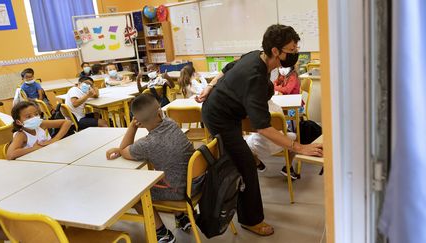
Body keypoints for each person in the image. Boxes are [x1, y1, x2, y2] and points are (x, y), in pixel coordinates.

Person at [196, 24, 323, 236]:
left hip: (230, 113)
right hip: (219, 118)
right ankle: (250, 220)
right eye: (291, 51)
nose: (295, 54)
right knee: (245, 164)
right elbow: (263, 127)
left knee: (241, 158)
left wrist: (210, 86)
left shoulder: (257, 56)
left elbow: (226, 69)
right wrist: (298, 147)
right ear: (276, 51)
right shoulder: (254, 76)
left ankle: (248, 164)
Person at [106, 94, 203, 243]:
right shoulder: (171, 123)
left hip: (179, 192)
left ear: (138, 121)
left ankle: (161, 232)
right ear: (159, 112)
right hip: (195, 184)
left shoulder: (147, 145)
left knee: (135, 194)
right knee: (168, 171)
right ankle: (181, 217)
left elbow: (124, 148)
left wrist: (132, 126)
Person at [246, 82, 300, 179]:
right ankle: (288, 167)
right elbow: (285, 127)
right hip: (280, 144)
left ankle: (258, 164)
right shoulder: (277, 109)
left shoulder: (250, 110)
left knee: (242, 143)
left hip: (258, 146)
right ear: (272, 93)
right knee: (295, 138)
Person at [6, 101, 72, 160]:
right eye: (28, 116)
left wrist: (55, 139)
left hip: (50, 156)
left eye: (36, 114)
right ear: (18, 122)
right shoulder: (21, 134)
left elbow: (67, 122)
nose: (34, 118)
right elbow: (10, 155)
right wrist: (34, 148)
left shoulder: (41, 124)